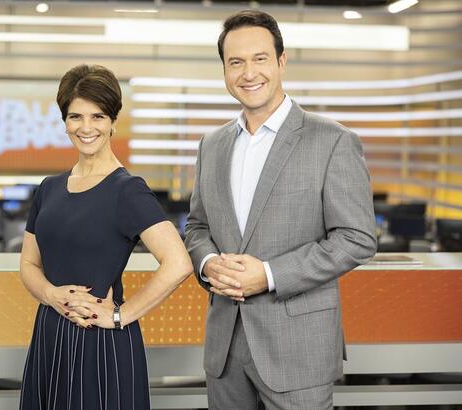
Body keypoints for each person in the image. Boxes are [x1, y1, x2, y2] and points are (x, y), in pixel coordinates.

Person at [184, 10, 377, 410]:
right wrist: (207, 264)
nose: (248, 72)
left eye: (260, 59)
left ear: (281, 61)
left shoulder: (333, 141)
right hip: (225, 350)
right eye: (235, 62)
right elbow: (198, 226)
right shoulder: (212, 145)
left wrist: (269, 275)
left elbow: (357, 238)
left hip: (298, 349)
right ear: (224, 70)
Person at [19, 64, 193, 410]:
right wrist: (51, 295)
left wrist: (121, 315)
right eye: (75, 116)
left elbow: (179, 263)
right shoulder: (49, 189)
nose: (86, 127)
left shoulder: (127, 190)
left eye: (98, 117)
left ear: (113, 122)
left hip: (101, 341)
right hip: (51, 332)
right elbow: (28, 263)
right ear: (64, 121)